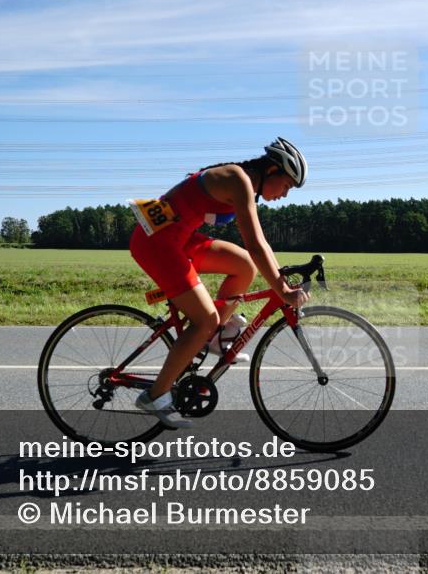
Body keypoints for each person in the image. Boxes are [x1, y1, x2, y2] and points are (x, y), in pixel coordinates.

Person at [128, 137, 311, 428]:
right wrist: (283, 290)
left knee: (244, 266)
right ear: (272, 171)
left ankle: (214, 337)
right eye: (287, 186)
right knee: (204, 319)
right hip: (158, 243)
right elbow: (255, 241)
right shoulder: (238, 180)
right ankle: (155, 394)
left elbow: (256, 250)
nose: (285, 195)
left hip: (180, 238)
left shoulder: (242, 180)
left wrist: (280, 279)